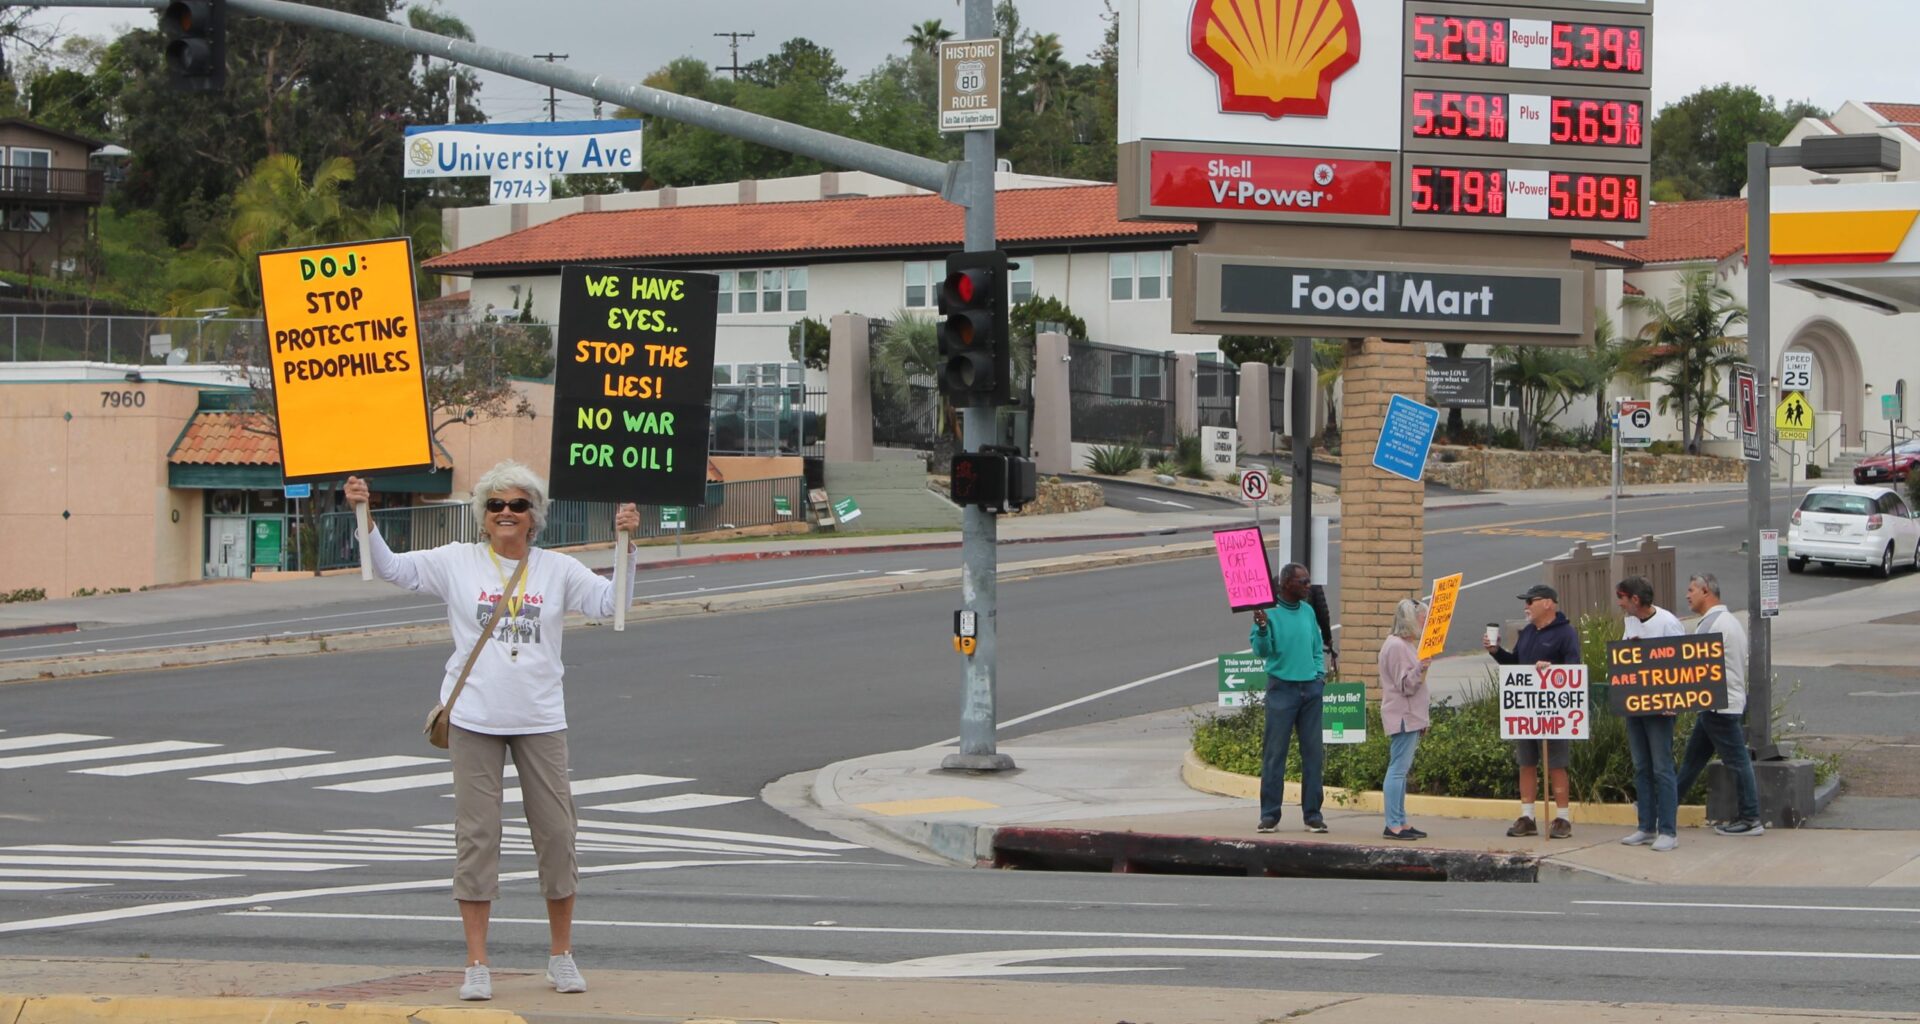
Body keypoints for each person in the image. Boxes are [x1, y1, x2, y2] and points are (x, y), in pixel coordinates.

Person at [345, 461, 640, 1002]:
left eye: (518, 505)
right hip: (474, 719)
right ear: (482, 515)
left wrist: (626, 546)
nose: (506, 513)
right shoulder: (456, 562)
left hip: (540, 720)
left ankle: (561, 956)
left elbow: (609, 604)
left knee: (557, 835)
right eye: (496, 505)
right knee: (477, 838)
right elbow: (392, 568)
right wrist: (364, 512)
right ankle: (477, 963)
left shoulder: (557, 569)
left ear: (534, 516)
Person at [1484, 584, 1581, 839]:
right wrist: (1496, 652)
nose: (1526, 606)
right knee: (1526, 762)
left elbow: (1574, 667)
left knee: (1556, 764)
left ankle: (1562, 818)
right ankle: (1527, 816)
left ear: (1548, 603)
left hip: (1554, 711)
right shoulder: (1527, 632)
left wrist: (1553, 670)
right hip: (1526, 710)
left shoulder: (1566, 633)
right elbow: (1515, 664)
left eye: (1530, 601)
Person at [1675, 572, 1765, 837]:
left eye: (1691, 590)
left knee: (1737, 761)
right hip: (1720, 704)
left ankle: (1750, 818)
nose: (1687, 595)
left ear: (1706, 592)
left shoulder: (1712, 625)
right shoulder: (1729, 621)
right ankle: (1665, 805)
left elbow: (1694, 667)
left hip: (1719, 707)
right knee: (1693, 761)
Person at [1249, 562, 1328, 834]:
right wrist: (1262, 628)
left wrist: (1319, 676)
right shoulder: (1268, 613)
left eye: (1308, 581)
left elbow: (1317, 646)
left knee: (1313, 754)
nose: (1308, 586)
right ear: (1285, 584)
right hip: (1282, 689)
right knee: (1275, 754)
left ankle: (1313, 814)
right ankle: (1269, 815)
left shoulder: (1307, 611)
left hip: (1310, 690)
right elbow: (1262, 651)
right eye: (1302, 582)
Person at [1615, 575, 1687, 852]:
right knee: (1641, 766)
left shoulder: (1668, 623)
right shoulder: (1631, 622)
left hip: (1660, 708)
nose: (1620, 604)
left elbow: (1682, 662)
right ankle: (1646, 826)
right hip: (1636, 704)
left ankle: (1668, 830)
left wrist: (1674, 699)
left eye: (1622, 598)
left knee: (1662, 767)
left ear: (1635, 599)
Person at [1379, 597, 1432, 840]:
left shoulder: (1404, 645)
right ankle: (1393, 823)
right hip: (1403, 715)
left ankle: (1400, 820)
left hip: (1409, 715)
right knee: (1398, 770)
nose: (1425, 622)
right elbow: (1407, 685)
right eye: (1423, 617)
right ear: (1411, 619)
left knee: (1401, 769)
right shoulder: (1398, 646)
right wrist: (1422, 667)